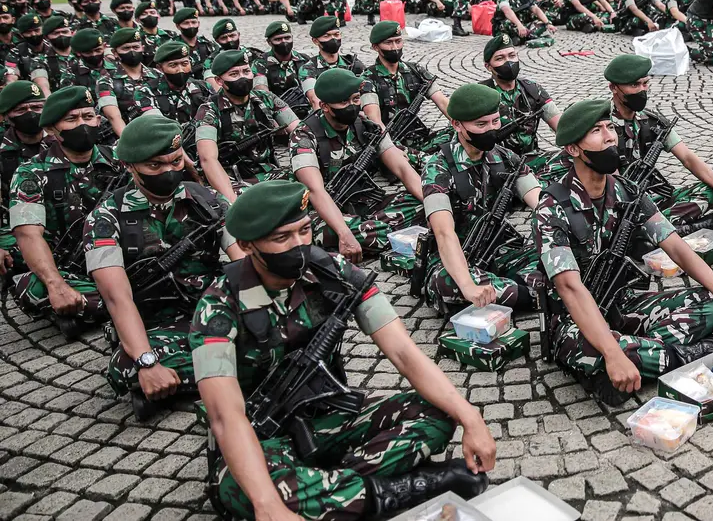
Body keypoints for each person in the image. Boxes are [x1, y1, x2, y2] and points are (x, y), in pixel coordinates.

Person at [191, 180, 495, 520]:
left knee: (439, 412)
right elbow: (224, 415)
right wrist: (268, 505)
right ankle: (402, 489)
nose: (300, 245)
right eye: (282, 238)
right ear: (247, 246)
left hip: (328, 417)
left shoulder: (332, 272)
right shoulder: (218, 306)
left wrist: (471, 417)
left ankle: (334, 491)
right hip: (260, 438)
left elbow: (404, 353)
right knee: (245, 492)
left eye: (305, 230)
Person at [535, 99, 713, 405]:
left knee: (711, 306)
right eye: (596, 131)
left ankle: (638, 358)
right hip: (572, 321)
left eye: (610, 128)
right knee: (602, 351)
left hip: (619, 303)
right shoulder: (551, 208)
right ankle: (702, 352)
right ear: (573, 149)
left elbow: (677, 248)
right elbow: (569, 288)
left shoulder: (626, 190)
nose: (610, 136)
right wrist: (613, 354)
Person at [84, 113, 241, 419]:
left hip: (213, 310)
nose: (169, 171)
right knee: (126, 368)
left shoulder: (207, 199)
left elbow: (242, 257)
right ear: (130, 166)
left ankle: (209, 378)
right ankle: (238, 372)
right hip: (158, 328)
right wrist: (147, 362)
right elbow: (117, 298)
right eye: (155, 165)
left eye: (175, 161)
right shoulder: (105, 218)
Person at [9, 87, 125, 338]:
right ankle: (124, 304)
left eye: (88, 116)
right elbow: (28, 234)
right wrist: (55, 284)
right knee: (31, 287)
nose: (83, 125)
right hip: (74, 267)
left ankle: (94, 308)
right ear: (52, 129)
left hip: (124, 258)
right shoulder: (31, 172)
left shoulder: (119, 157)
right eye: (71, 119)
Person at [420, 83, 546, 312]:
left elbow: (539, 199)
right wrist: (467, 284)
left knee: (555, 264)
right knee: (445, 283)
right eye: (481, 124)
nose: (491, 130)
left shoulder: (505, 157)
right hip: (456, 256)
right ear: (456, 124)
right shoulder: (437, 168)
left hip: (500, 248)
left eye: (495, 121)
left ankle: (514, 292)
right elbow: (443, 232)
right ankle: (528, 294)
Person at [290, 68, 424, 260]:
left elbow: (402, 168)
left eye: (355, 99)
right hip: (323, 211)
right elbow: (315, 190)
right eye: (343, 102)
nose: (352, 106)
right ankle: (396, 235)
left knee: (423, 203)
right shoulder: (303, 135)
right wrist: (344, 233)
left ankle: (382, 233)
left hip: (364, 203)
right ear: (324, 106)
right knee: (339, 231)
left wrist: (432, 204)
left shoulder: (367, 125)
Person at [601, 54, 713, 232]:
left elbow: (687, 157)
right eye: (634, 85)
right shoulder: (600, 124)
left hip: (648, 198)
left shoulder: (652, 122)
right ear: (614, 88)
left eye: (645, 83)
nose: (642, 90)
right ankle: (667, 231)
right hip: (612, 204)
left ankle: (657, 231)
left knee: (709, 192)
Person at [195, 50, 300, 202]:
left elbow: (298, 128)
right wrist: (233, 201)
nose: (242, 77)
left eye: (246, 71)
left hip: (269, 172)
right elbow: (208, 159)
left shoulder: (266, 98)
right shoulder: (209, 110)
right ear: (219, 81)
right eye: (234, 74)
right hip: (231, 178)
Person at [358, 21, 451, 167]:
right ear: (375, 47)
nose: (395, 47)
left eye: (398, 41)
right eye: (388, 43)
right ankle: (430, 161)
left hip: (418, 137)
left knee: (462, 132)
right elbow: (375, 121)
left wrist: (464, 126)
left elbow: (444, 103)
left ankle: (430, 159)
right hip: (389, 141)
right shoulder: (368, 78)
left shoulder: (415, 70)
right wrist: (391, 148)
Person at [479, 34, 564, 180]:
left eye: (512, 56)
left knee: (573, 159)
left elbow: (561, 125)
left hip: (529, 159)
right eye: (500, 58)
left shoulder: (532, 89)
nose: (509, 62)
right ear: (488, 66)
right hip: (495, 164)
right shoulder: (480, 94)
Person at [0, 81, 48, 275]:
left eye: (37, 107)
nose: (31, 113)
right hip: (11, 230)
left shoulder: (64, 141)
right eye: (21, 109)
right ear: (6, 116)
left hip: (59, 228)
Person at [134, 42, 214, 149]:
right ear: (160, 68)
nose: (180, 70)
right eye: (173, 65)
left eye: (184, 64)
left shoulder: (204, 87)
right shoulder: (146, 92)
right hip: (165, 149)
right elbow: (159, 131)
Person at [97, 28, 160, 138]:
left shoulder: (158, 75)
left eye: (136, 47)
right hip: (129, 135)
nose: (132, 52)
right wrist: (130, 142)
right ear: (115, 53)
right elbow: (114, 117)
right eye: (126, 48)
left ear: (142, 48)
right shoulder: (106, 80)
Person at [300, 15, 366, 111]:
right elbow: (315, 100)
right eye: (327, 36)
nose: (333, 39)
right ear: (315, 41)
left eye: (336, 34)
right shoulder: (308, 69)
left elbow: (367, 90)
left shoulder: (352, 63)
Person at [253, 20, 309, 115]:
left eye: (287, 38)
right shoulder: (260, 63)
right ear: (269, 42)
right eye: (278, 39)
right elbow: (262, 92)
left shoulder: (304, 60)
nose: (284, 42)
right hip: (277, 112)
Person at [171, 7, 219, 79]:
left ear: (198, 24)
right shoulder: (172, 47)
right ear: (178, 26)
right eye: (186, 23)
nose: (191, 26)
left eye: (194, 22)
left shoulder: (208, 44)